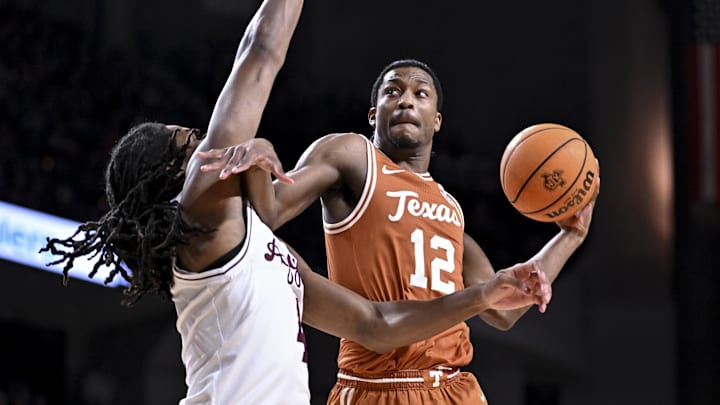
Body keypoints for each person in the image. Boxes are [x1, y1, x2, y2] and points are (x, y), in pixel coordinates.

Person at [39, 2, 554, 404]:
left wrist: (482, 296)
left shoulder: (265, 250)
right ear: (176, 179)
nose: (206, 146)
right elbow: (259, 54)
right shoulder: (202, 218)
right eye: (191, 144)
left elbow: (376, 326)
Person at [198, 58, 599, 404]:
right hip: (376, 386)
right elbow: (269, 212)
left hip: (456, 389)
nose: (406, 99)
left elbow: (504, 308)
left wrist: (571, 235)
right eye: (393, 91)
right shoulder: (353, 156)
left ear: (437, 121)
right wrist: (257, 157)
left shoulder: (450, 208)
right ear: (373, 113)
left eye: (421, 94)